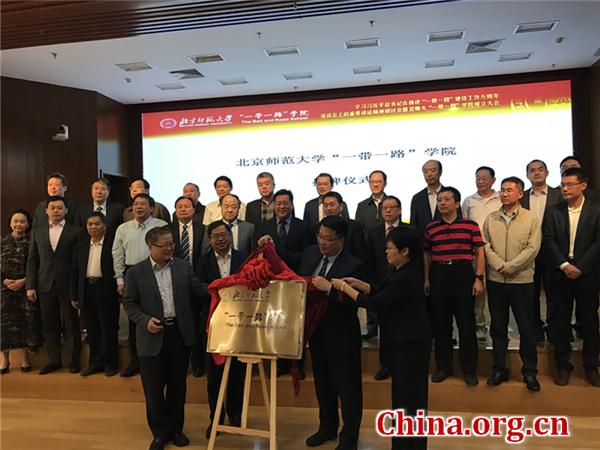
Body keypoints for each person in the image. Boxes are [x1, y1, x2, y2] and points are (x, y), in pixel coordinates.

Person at [332, 226, 432, 450]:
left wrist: (342, 288)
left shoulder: (407, 276)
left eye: (390, 248)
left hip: (411, 343)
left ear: (405, 251)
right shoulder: (400, 270)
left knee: (410, 398)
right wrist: (361, 285)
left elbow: (377, 304)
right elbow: (383, 291)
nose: (386, 252)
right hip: (402, 341)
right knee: (402, 396)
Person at [123, 226, 206, 450]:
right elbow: (129, 303)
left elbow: (199, 290)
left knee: (178, 387)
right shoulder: (135, 272)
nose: (170, 248)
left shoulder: (182, 267)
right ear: (150, 246)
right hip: (152, 334)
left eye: (171, 244)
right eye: (164, 245)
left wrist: (227, 287)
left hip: (178, 334)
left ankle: (176, 430)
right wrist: (144, 320)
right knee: (153, 388)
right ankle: (159, 433)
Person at [304, 215, 364, 450]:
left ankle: (349, 438)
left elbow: (355, 302)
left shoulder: (354, 265)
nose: (323, 243)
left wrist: (330, 289)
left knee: (348, 391)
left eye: (328, 239)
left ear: (341, 240)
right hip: (316, 335)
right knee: (323, 386)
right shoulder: (311, 255)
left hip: (342, 338)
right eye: (320, 237)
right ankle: (326, 427)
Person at [482, 177, 541, 391]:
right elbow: (485, 245)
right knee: (498, 327)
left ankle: (530, 372)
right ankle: (499, 369)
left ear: (520, 193)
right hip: (497, 280)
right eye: (502, 190)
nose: (504, 194)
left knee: (526, 328)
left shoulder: (530, 218)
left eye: (509, 190)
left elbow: (533, 248)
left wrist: (512, 266)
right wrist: (499, 265)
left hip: (522, 281)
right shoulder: (491, 218)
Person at [543, 167, 600, 387]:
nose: (565, 189)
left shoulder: (596, 210)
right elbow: (548, 239)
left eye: (570, 184)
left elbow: (598, 242)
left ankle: (591, 366)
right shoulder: (553, 210)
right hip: (560, 273)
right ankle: (563, 367)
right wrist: (565, 265)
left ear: (583, 186)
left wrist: (581, 267)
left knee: (589, 322)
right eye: (563, 184)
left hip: (588, 275)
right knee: (560, 322)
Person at [424, 187, 485, 386]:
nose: (442, 203)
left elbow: (480, 252)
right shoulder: (431, 227)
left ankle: (469, 370)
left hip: (463, 274)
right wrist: (426, 278)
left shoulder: (470, 225)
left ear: (457, 203)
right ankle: (444, 367)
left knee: (466, 324)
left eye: (447, 199)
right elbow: (427, 255)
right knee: (441, 325)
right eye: (440, 199)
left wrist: (478, 278)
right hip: (439, 274)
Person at [197, 221, 247, 439]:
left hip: (238, 323)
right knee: (214, 377)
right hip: (213, 325)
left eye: (224, 234)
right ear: (209, 240)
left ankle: (236, 415)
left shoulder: (242, 257)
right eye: (216, 236)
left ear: (230, 235)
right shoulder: (203, 260)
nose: (221, 239)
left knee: (237, 373)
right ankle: (215, 418)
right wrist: (216, 292)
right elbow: (197, 286)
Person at [26, 196, 84, 374]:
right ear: (46, 211)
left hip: (68, 285)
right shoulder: (37, 232)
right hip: (45, 284)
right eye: (53, 208)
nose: (56, 211)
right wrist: (30, 285)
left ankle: (74, 361)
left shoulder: (77, 231)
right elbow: (32, 260)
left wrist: (78, 288)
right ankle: (54, 360)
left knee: (71, 325)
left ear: (66, 211)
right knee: (50, 324)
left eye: (60, 208)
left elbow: (79, 263)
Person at [112, 193, 168, 377]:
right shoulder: (123, 228)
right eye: (136, 204)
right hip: (131, 273)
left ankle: (160, 359)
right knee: (134, 320)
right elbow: (117, 254)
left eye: (143, 204)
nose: (138, 207)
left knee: (158, 315)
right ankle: (135, 362)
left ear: (152, 208)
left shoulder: (160, 226)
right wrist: (120, 279)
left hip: (157, 272)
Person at [70, 212, 120, 377]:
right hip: (86, 289)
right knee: (92, 328)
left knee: (109, 328)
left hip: (106, 289)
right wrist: (74, 295)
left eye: (96, 224)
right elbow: (75, 271)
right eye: (90, 224)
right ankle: (95, 363)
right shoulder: (82, 245)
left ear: (104, 226)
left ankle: (111, 363)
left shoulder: (113, 243)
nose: (93, 227)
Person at [521, 159, 562, 344]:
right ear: (527, 175)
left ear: (547, 173)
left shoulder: (558, 194)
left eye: (540, 170)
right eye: (532, 170)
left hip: (552, 252)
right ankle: (535, 328)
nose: (536, 173)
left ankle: (554, 329)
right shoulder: (521, 197)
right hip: (528, 252)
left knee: (554, 293)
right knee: (531, 293)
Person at [365, 195, 406, 378]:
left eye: (392, 207)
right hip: (381, 287)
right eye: (384, 208)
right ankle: (386, 365)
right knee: (385, 329)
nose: (388, 211)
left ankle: (402, 364)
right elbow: (370, 261)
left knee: (402, 328)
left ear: (399, 210)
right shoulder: (374, 232)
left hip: (402, 287)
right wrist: (374, 284)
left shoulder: (408, 230)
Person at [461, 166, 501, 341]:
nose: (481, 181)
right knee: (478, 291)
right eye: (478, 178)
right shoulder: (469, 201)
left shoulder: (501, 198)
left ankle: (499, 326)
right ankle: (479, 325)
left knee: (498, 290)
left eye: (484, 178)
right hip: (476, 252)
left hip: (499, 251)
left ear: (493, 179)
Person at [169, 196, 206, 377]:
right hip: (173, 283)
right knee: (179, 324)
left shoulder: (203, 230)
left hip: (197, 282)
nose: (183, 209)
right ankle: (179, 363)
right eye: (180, 207)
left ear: (194, 210)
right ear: (175, 210)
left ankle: (198, 362)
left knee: (197, 325)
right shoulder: (166, 231)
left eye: (187, 206)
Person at [1, 209, 42, 374]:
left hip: (25, 287)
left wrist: (24, 281)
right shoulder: (2, 241)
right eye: (15, 221)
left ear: (28, 224)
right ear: (10, 223)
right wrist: (3, 280)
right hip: (4, 288)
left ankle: (25, 358)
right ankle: (5, 359)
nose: (19, 224)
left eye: (22, 221)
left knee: (26, 322)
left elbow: (38, 265)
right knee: (4, 325)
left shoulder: (33, 241)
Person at [255, 189, 311, 272]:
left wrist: (285, 255)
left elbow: (307, 254)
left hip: (295, 273)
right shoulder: (264, 226)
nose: (282, 207)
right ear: (274, 206)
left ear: (292, 205)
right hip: (271, 274)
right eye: (278, 204)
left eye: (285, 203)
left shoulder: (303, 226)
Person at [322, 191, 366, 261]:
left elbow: (361, 254)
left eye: (332, 204)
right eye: (326, 205)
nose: (329, 208)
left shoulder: (354, 226)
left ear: (341, 206)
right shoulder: (319, 227)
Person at [410, 160, 443, 238]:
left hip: (445, 243)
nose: (429, 174)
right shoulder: (417, 198)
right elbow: (413, 225)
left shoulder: (450, 195)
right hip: (423, 245)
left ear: (440, 172)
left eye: (433, 170)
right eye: (425, 171)